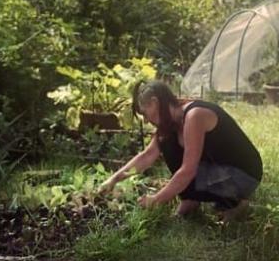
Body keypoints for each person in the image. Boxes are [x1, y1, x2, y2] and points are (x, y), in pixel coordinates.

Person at [98, 80, 263, 219]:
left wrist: (156, 200)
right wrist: (113, 180)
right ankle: (191, 200)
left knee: (175, 157)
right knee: (166, 140)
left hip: (243, 175)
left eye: (145, 114)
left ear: (155, 103)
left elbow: (188, 171)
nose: (147, 120)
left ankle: (237, 204)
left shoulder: (194, 116)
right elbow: (147, 156)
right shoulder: (171, 124)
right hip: (220, 169)